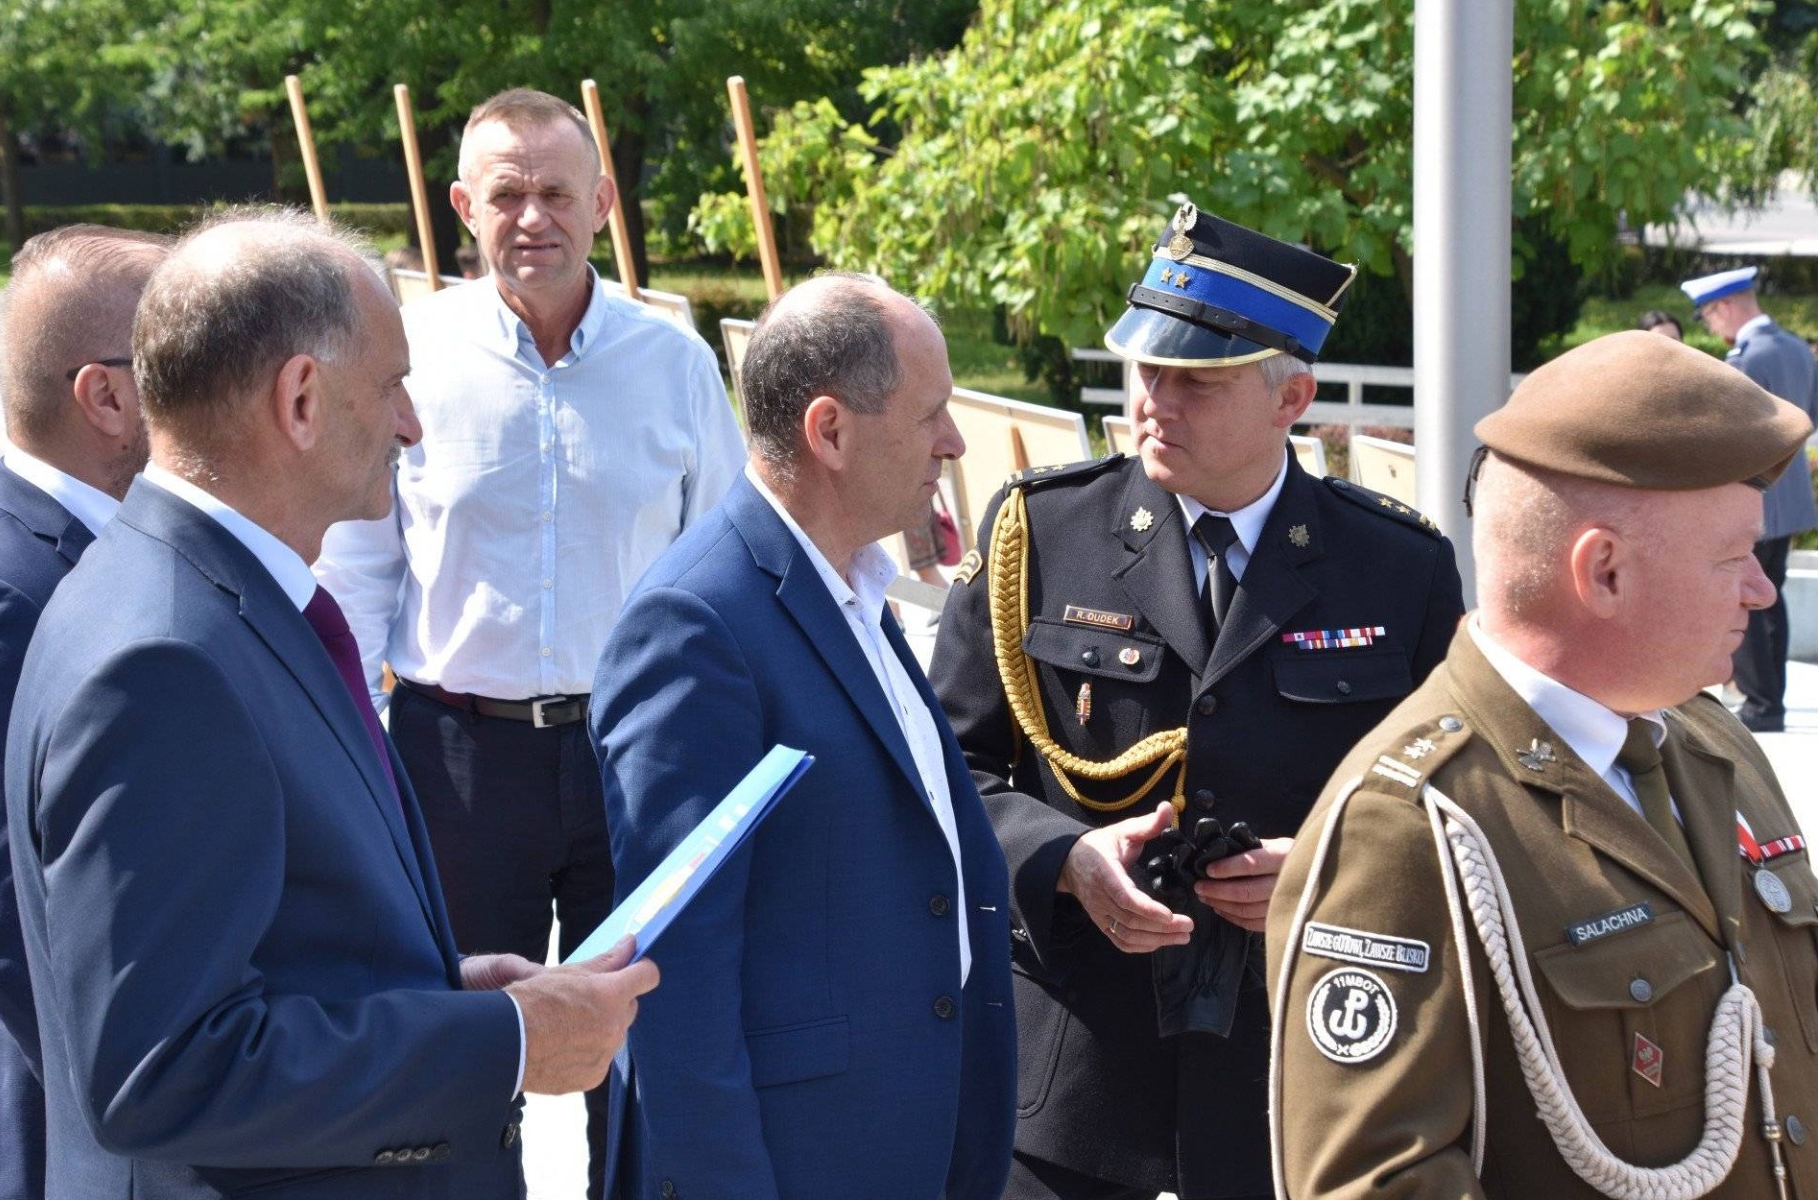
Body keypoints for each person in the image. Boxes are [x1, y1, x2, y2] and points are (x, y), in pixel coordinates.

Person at [3, 209, 657, 1200]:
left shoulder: (214, 601)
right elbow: (163, 1069)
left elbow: (281, 943)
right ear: (302, 398)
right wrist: (508, 1043)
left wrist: (448, 991)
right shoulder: (164, 655)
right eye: (394, 385)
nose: (410, 423)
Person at [928, 203, 1465, 1200]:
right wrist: (1063, 858)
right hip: (1076, 1072)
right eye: (1146, 370)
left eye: (1194, 381)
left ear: (1291, 396)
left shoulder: (1398, 566)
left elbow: (1454, 801)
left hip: (1298, 1067)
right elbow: (949, 767)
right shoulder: (1039, 533)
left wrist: (1322, 871)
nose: (1152, 402)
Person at [1267, 329, 1818, 1199]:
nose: (1759, 588)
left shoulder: (1715, 744)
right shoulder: (1409, 826)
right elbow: (1371, 1182)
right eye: (1732, 558)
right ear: (1602, 572)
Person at [313, 88, 742, 1194]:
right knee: (454, 1045)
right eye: (507, 193)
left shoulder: (677, 363)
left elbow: (723, 569)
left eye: (558, 192)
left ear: (604, 202)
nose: (533, 217)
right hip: (454, 760)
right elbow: (361, 569)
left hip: (634, 757)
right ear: (464, 205)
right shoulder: (410, 359)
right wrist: (345, 744)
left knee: (642, 1050)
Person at [591, 272, 1018, 1200]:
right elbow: (677, 973)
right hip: (797, 1160)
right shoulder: (698, 624)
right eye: (931, 415)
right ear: (830, 432)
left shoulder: (856, 587)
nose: (952, 442)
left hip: (908, 1133)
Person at [0, 224, 166, 1200]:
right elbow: (18, 941)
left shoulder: (140, 547)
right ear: (106, 396)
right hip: (68, 1146)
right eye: (187, 358)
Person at [1682, 265, 1818, 732]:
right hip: (1792, 496)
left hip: (1755, 499)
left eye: (1707, 316)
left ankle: (1762, 705)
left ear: (1725, 306)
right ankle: (1770, 698)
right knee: (1770, 600)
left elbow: (1725, 437)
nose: (1711, 326)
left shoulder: (1746, 359)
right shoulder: (1796, 347)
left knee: (1746, 604)